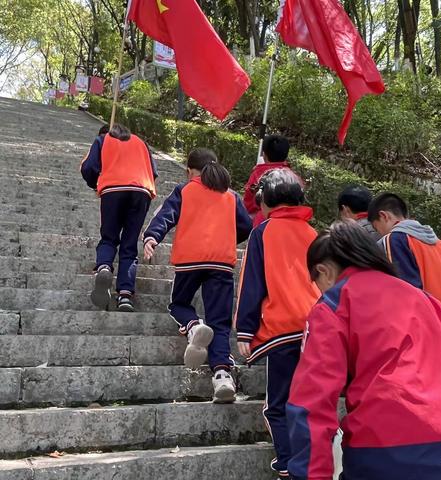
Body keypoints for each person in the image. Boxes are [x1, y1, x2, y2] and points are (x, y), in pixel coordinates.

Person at [287, 221, 441, 480]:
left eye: (317, 282)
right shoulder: (426, 300)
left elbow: (311, 403)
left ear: (324, 271)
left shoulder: (334, 304)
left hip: (386, 454)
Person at [143, 148, 252, 404]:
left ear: (190, 170)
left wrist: (152, 237)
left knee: (178, 304)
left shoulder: (185, 190)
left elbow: (165, 215)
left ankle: (193, 327)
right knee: (221, 322)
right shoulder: (231, 195)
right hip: (222, 264)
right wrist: (226, 239)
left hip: (190, 261)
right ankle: (223, 376)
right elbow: (246, 225)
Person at [235, 169, 319, 479]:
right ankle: (310, 461)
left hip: (283, 329)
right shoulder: (314, 234)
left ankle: (288, 463)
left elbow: (252, 282)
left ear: (267, 201)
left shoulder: (264, 232)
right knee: (308, 401)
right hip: (318, 330)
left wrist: (245, 329)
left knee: (278, 405)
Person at [368, 192, 441, 345]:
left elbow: (407, 291)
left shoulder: (394, 240)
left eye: (376, 228)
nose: (378, 233)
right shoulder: (439, 243)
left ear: (384, 216)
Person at [81, 123, 158, 312]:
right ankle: (125, 295)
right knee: (129, 244)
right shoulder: (141, 143)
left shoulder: (102, 140)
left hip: (113, 189)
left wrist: (95, 183)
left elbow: (88, 168)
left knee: (109, 237)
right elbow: (154, 172)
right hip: (142, 190)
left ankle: (104, 267)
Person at [243, 135, 299, 227]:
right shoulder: (292, 176)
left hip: (261, 220)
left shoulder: (258, 174)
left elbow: (249, 200)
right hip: (287, 222)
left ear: (264, 154)